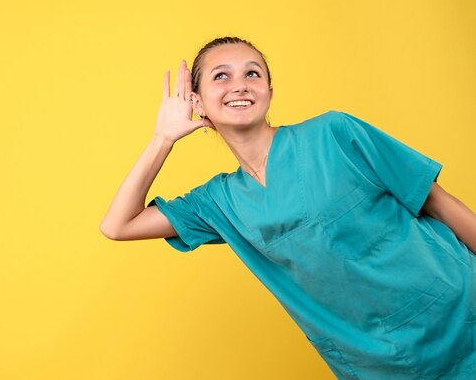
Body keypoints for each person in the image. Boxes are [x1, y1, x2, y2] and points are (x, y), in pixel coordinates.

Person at [100, 36, 476, 379]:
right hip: (378, 363)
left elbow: (439, 203)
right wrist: (162, 139)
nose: (240, 85)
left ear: (268, 91)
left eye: (252, 73)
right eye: (221, 76)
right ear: (195, 101)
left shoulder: (334, 132)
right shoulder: (218, 203)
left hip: (461, 314)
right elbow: (118, 225)